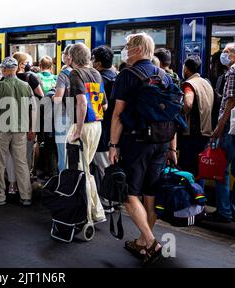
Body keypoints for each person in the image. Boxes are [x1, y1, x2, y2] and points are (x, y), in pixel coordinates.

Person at [109, 33, 177, 265]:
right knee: (150, 193)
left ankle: (151, 242)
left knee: (129, 195)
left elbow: (118, 114)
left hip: (137, 141)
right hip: (163, 141)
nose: (125, 50)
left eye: (128, 46)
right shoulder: (164, 75)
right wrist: (172, 148)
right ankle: (141, 241)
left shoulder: (128, 75)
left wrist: (113, 145)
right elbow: (172, 113)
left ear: (137, 49)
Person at [0, 57, 36, 206]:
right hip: (21, 129)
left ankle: (0, 195)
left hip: (1, 130)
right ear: (15, 69)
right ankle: (26, 195)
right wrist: (33, 128)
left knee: (0, 163)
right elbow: (33, 108)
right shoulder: (26, 86)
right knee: (21, 162)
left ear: (6, 70)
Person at [66, 43, 107, 224]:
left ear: (73, 58)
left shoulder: (76, 74)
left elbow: (81, 102)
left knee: (78, 169)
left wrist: (78, 130)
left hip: (83, 125)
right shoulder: (96, 73)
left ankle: (86, 215)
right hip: (97, 125)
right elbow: (104, 104)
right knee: (86, 168)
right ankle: (95, 211)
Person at [211, 43, 235, 224]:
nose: (222, 55)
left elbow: (232, 99)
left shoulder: (233, 71)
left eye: (225, 52)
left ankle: (223, 212)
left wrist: (219, 125)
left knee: (221, 168)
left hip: (232, 125)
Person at [91, 45, 117, 213]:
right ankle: (113, 198)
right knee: (110, 166)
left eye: (93, 59)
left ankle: (107, 201)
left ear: (98, 63)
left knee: (102, 167)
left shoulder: (98, 80)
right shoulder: (117, 76)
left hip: (102, 130)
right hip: (116, 130)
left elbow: (96, 110)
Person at [179, 56, 214, 178]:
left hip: (192, 134)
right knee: (200, 169)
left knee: (188, 170)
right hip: (206, 132)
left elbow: (188, 103)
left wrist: (180, 111)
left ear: (186, 68)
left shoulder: (189, 84)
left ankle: (189, 196)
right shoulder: (207, 83)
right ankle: (200, 195)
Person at [52, 45, 73, 172]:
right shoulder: (89, 72)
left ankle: (64, 183)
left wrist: (52, 96)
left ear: (69, 57)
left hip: (64, 117)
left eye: (64, 53)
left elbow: (58, 97)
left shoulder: (64, 74)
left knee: (63, 152)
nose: (63, 56)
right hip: (81, 118)